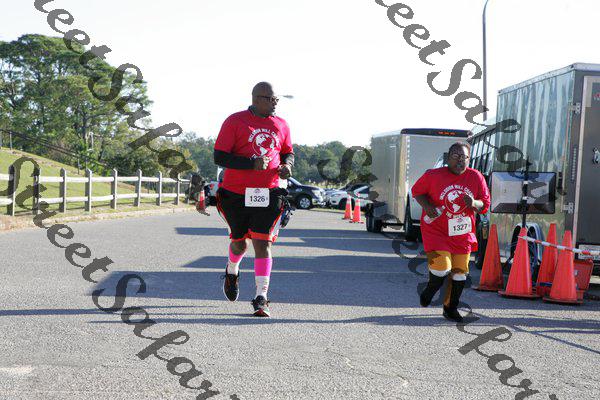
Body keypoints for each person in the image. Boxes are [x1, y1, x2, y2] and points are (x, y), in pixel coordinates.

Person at [211, 82, 294, 317]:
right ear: (256, 99)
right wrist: (250, 163)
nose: (275, 103)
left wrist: (287, 165)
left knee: (263, 242)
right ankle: (232, 271)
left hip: (269, 192)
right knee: (240, 243)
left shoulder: (281, 124)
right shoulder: (235, 121)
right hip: (235, 193)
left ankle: (261, 297)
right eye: (270, 99)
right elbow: (219, 156)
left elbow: (287, 151)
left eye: (276, 99)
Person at [411, 142, 490, 322]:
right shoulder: (433, 175)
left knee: (460, 272)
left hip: (462, 232)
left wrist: (474, 203)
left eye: (465, 157)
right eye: (456, 156)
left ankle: (450, 308)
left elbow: (485, 204)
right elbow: (417, 191)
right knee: (442, 268)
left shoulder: (476, 177)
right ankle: (430, 290)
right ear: (448, 157)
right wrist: (427, 206)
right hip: (436, 230)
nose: (460, 161)